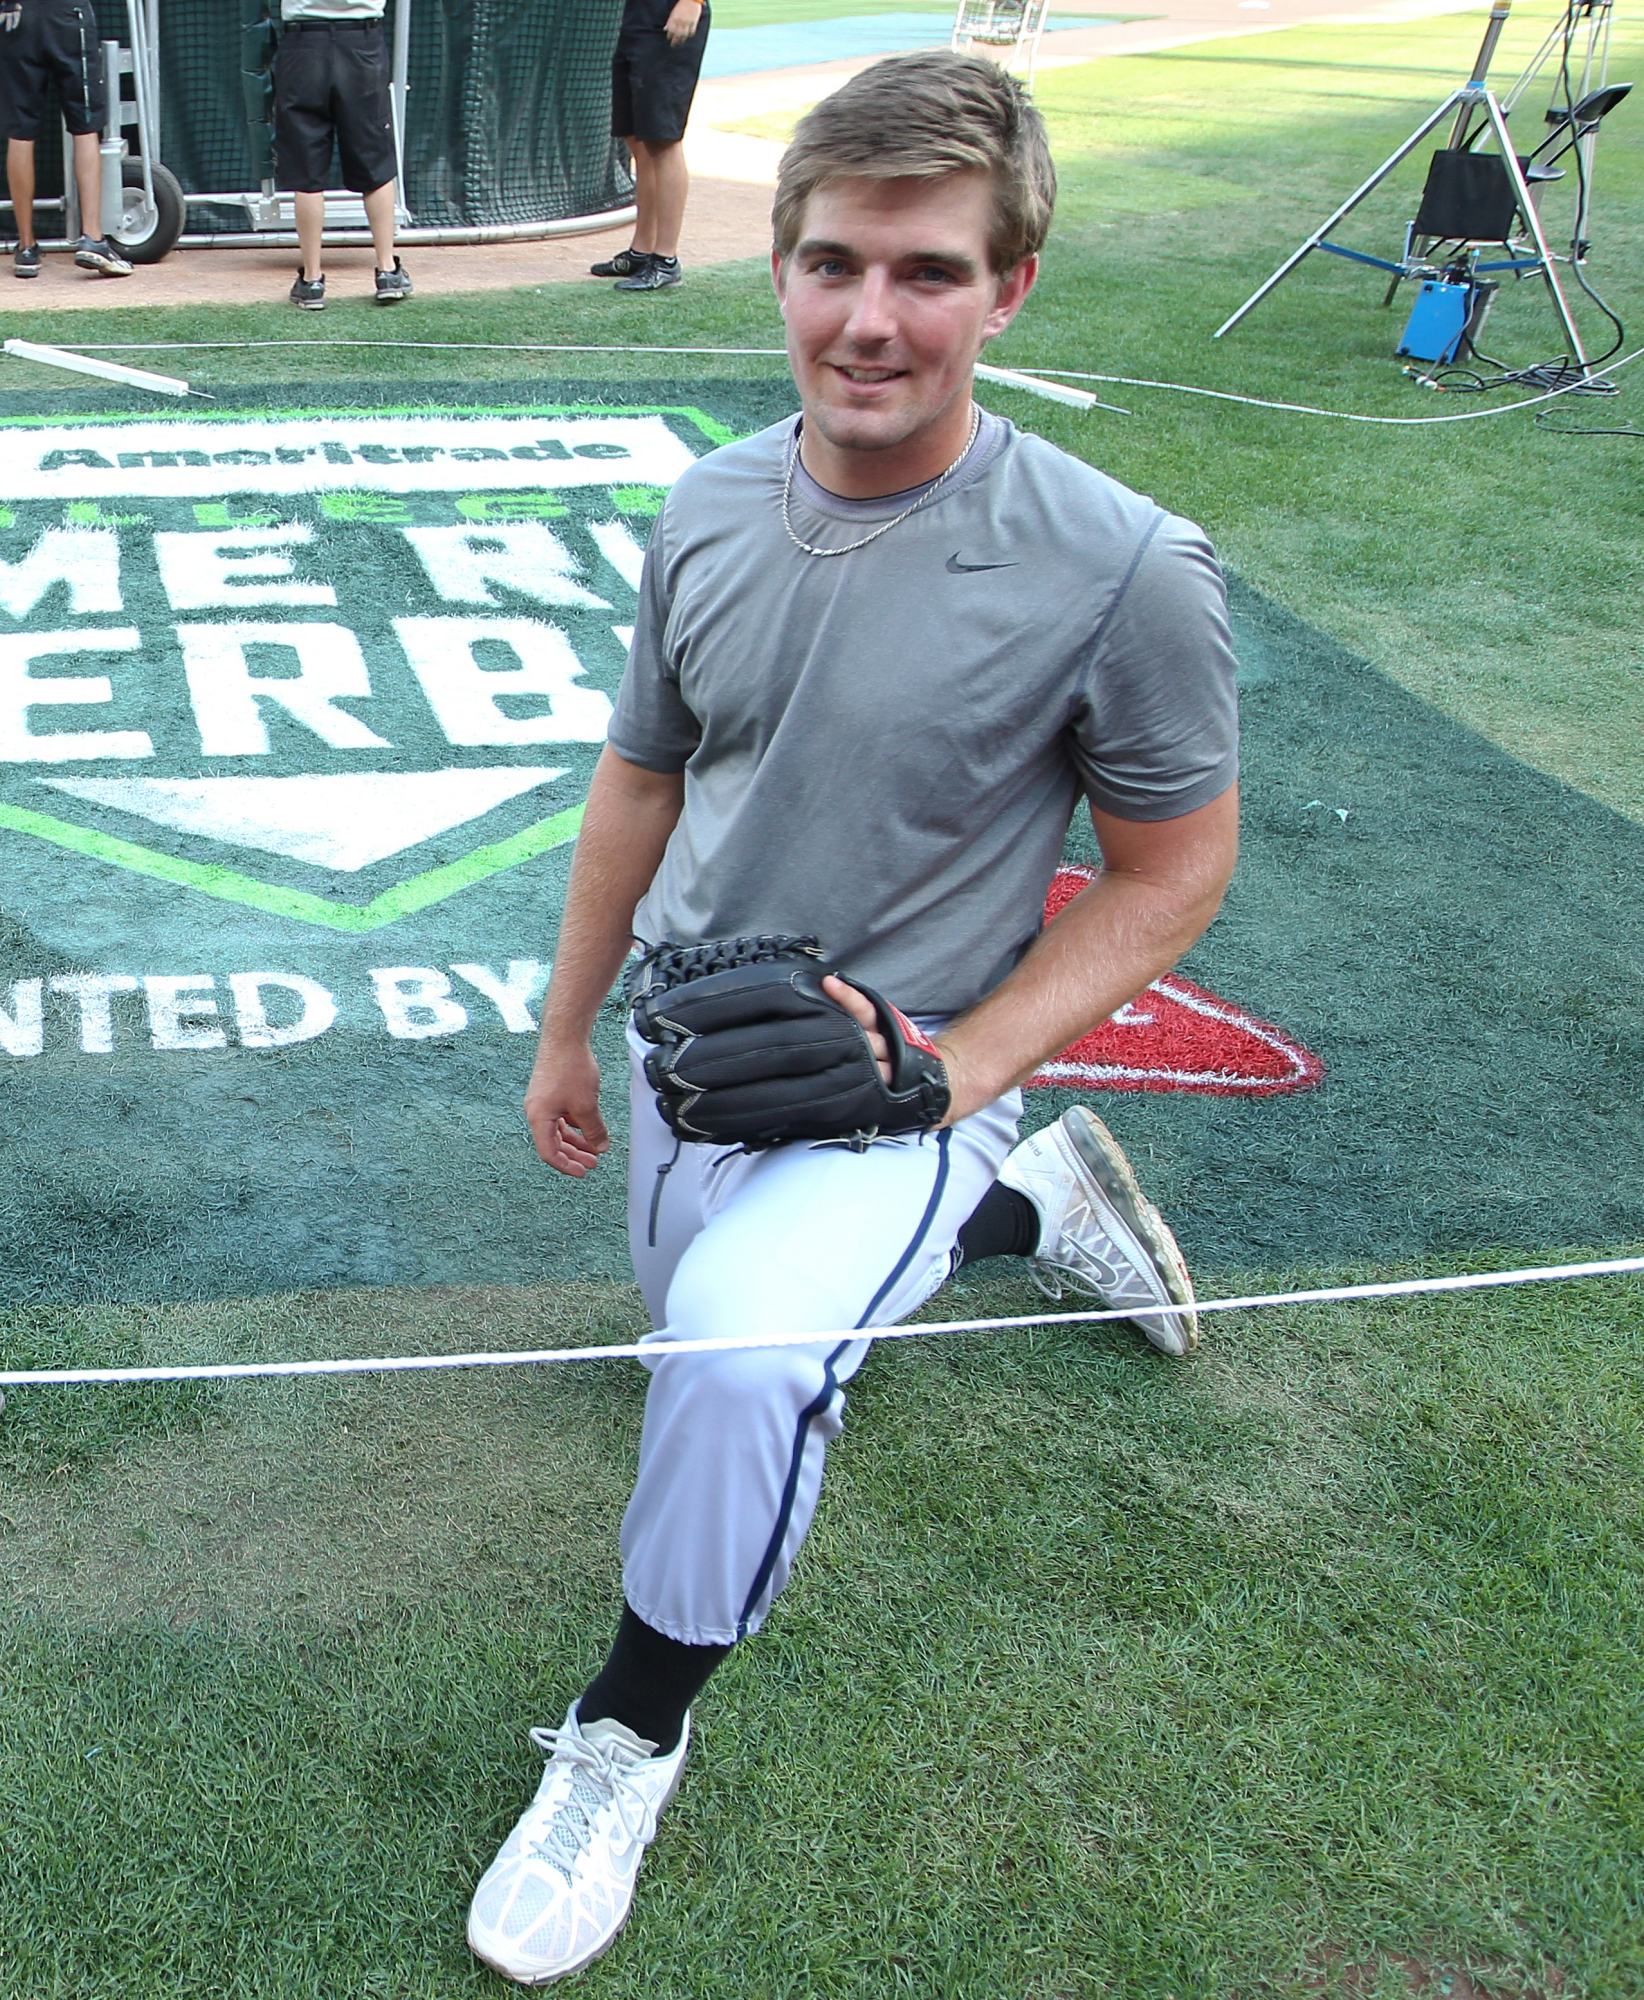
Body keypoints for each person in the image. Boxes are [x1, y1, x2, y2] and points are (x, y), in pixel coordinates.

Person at [464, 53, 1241, 1983]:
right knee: (692, 1344)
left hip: (904, 1087)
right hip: (696, 1054)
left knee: (738, 1363)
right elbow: (641, 784)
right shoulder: (709, 507)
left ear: (1011, 289)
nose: (867, 318)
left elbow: (1173, 871)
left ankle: (628, 1736)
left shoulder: (1123, 567)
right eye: (829, 264)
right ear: (781, 266)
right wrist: (568, 1032)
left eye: (926, 272)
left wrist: (957, 1073)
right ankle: (1035, 1206)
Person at [270, 0, 409, 309]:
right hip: (362, 41)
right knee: (375, 162)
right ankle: (388, 271)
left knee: (307, 171)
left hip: (303, 42)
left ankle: (311, 280)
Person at [0, 0, 132, 280]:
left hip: (16, 13)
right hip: (69, 13)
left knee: (20, 130)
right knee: (85, 126)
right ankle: (92, 237)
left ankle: (25, 246)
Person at [590, 0, 709, 293]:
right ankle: (641, 252)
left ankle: (666, 261)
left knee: (662, 140)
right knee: (638, 139)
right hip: (636, 15)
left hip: (669, 14)